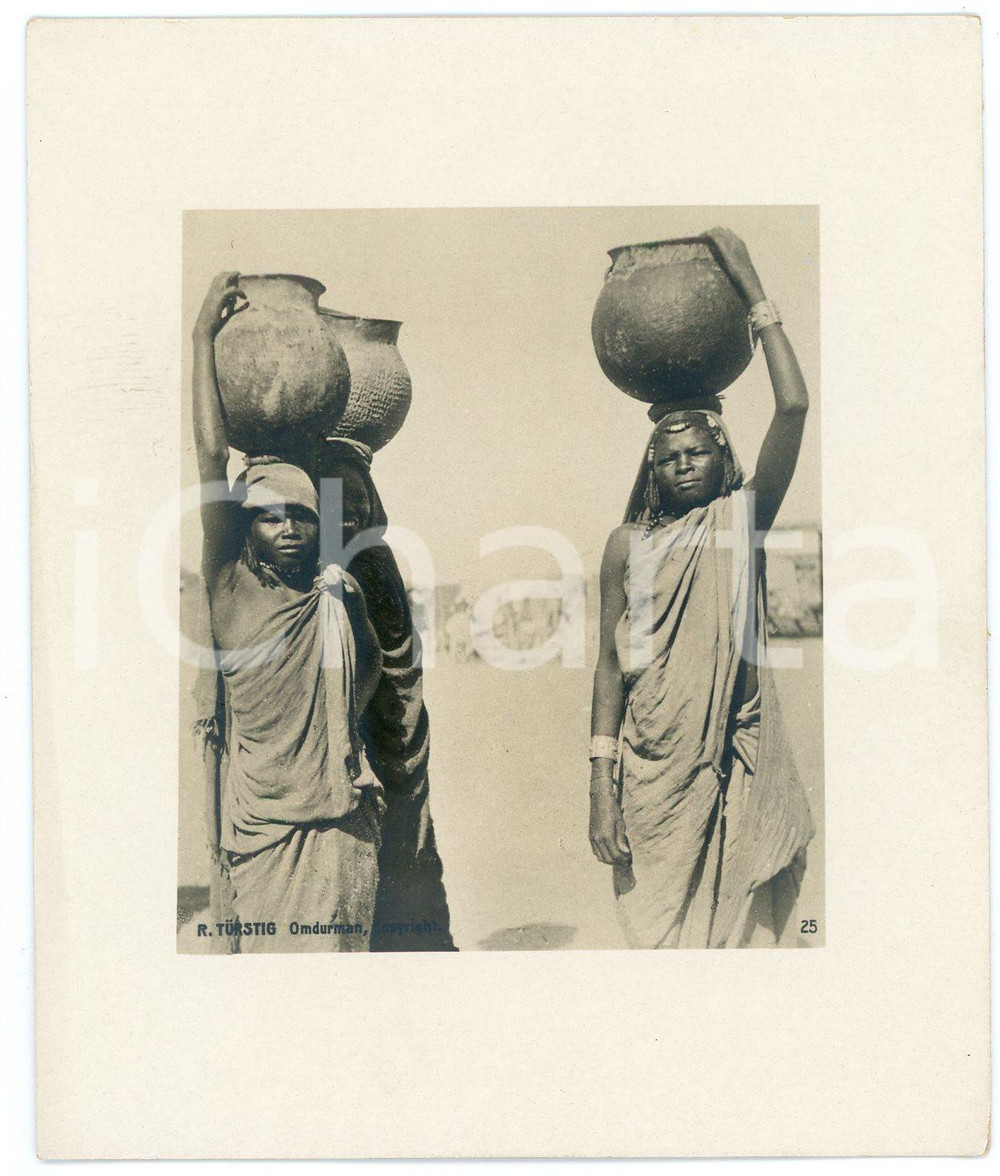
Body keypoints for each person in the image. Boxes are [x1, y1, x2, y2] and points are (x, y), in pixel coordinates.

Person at [588, 228, 815, 949]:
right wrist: (601, 783)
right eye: (670, 458)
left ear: (724, 460)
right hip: (651, 774)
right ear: (650, 470)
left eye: (698, 453)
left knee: (739, 952)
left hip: (729, 765)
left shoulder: (738, 522)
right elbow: (607, 667)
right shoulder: (626, 547)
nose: (684, 465)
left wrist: (752, 287)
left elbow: (794, 408)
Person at [192, 272, 385, 953]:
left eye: (302, 516)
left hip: (337, 821)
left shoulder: (336, 595)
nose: (289, 529)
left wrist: (342, 739)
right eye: (270, 519)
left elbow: (368, 675)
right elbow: (213, 460)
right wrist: (201, 338)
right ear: (247, 531)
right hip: (258, 826)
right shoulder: (229, 589)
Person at [314, 437, 456, 951]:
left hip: (391, 743)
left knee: (404, 863)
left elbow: (395, 664)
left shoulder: (375, 564)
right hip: (346, 756)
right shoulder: (309, 572)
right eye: (332, 501)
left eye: (358, 500)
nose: (348, 513)